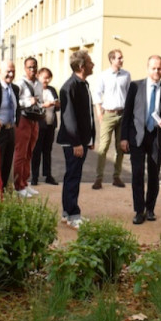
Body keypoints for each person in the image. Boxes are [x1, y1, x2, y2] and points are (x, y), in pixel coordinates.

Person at [120, 55, 161, 224]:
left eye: (159, 68)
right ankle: (139, 211)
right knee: (137, 174)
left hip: (156, 138)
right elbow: (127, 113)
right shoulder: (135, 86)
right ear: (147, 69)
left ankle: (150, 209)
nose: (157, 71)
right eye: (153, 68)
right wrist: (123, 138)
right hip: (137, 137)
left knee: (153, 175)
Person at [57, 50, 96, 229]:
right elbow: (69, 117)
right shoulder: (69, 87)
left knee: (73, 175)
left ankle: (68, 212)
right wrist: (77, 143)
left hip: (81, 140)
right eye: (90, 62)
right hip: (74, 142)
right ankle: (73, 214)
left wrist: (90, 138)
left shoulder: (83, 84)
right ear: (81, 66)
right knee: (73, 176)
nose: (93, 65)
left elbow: (87, 114)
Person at [93, 49, 131, 189]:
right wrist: (99, 113)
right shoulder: (103, 75)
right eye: (119, 58)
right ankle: (99, 178)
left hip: (122, 114)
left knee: (120, 147)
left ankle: (116, 177)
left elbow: (129, 94)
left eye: (122, 57)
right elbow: (97, 94)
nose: (121, 60)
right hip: (108, 114)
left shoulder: (126, 75)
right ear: (112, 60)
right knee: (103, 147)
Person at [0, 59, 21, 198]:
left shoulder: (15, 89)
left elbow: (17, 107)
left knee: (6, 167)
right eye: (8, 71)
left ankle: (1, 196)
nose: (11, 74)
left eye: (13, 71)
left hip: (10, 131)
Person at [13, 56, 46, 198]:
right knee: (20, 153)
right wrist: (28, 102)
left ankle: (24, 182)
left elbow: (40, 100)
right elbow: (14, 102)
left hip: (35, 120)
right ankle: (17, 185)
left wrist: (41, 105)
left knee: (29, 152)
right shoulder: (19, 84)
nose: (32, 69)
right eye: (29, 67)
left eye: (34, 67)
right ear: (25, 68)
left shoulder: (38, 84)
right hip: (23, 119)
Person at [31, 67, 60, 185]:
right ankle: (34, 176)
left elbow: (57, 105)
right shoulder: (34, 89)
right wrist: (44, 105)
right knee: (36, 151)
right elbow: (31, 106)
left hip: (50, 124)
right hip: (39, 124)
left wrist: (56, 104)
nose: (47, 80)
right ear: (38, 76)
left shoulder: (52, 90)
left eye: (49, 78)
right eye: (45, 77)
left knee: (47, 151)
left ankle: (48, 175)